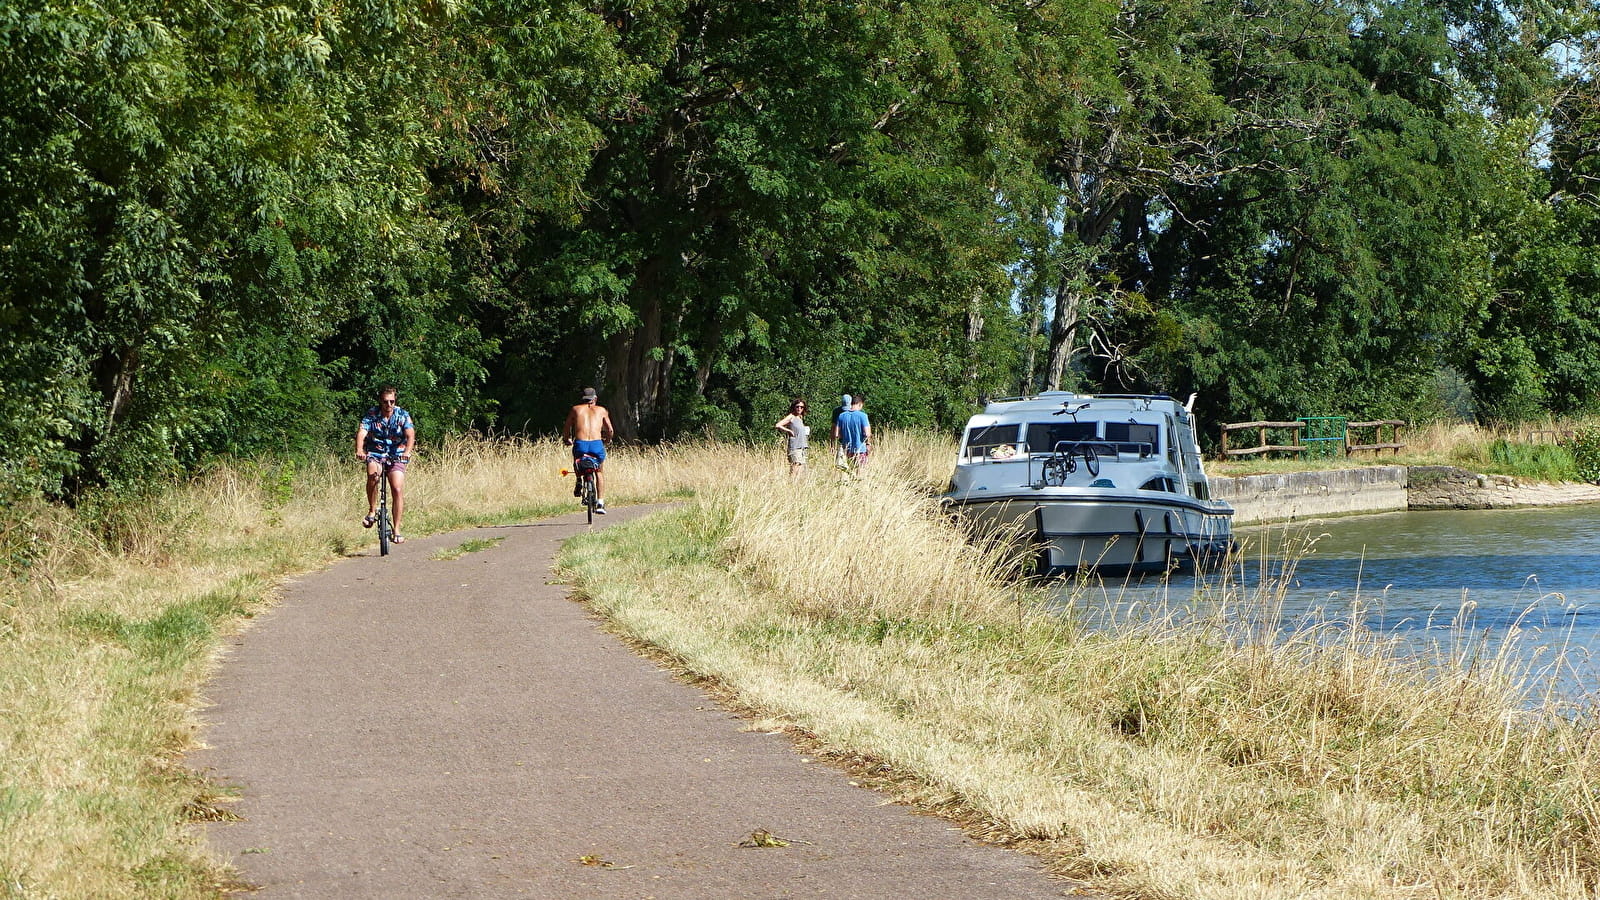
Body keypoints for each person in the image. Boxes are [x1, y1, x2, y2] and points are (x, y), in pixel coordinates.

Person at [355, 385, 416, 543]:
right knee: (373, 476)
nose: (388, 405)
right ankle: (372, 510)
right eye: (385, 402)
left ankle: (396, 529)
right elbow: (362, 432)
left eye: (392, 402)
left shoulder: (402, 415)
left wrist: (406, 453)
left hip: (397, 455)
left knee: (396, 488)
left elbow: (410, 436)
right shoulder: (371, 414)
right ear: (380, 401)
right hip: (375, 452)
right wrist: (360, 450)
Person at [563, 387, 615, 513]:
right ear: (595, 398)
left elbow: (567, 427)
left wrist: (567, 439)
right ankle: (600, 503)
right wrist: (607, 440)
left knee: (577, 458)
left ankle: (579, 479)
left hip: (580, 444)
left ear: (583, 399)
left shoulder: (576, 409)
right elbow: (610, 430)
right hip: (597, 444)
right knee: (599, 472)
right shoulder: (601, 410)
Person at [833, 392, 871, 471]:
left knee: (849, 471)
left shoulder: (841, 416)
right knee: (861, 472)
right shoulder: (863, 415)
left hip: (847, 450)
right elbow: (867, 434)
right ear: (860, 404)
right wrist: (868, 444)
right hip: (860, 449)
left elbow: (837, 434)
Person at [774, 398, 810, 477]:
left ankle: (796, 486)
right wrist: (788, 431)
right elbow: (778, 425)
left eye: (801, 407)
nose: (799, 408)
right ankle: (791, 483)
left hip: (802, 446)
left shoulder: (800, 417)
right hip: (794, 446)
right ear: (794, 407)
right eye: (797, 406)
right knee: (795, 466)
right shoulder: (791, 416)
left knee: (801, 468)